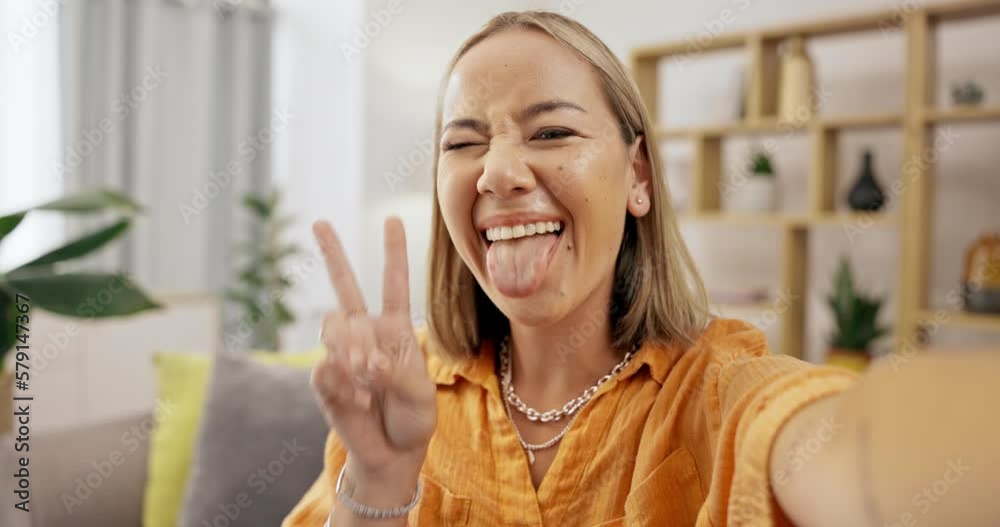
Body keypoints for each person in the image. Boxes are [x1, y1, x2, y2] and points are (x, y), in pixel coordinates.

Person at [284, 10, 999, 527]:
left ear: (638, 176)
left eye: (552, 131)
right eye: (464, 142)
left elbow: (846, 451)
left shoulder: (717, 391)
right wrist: (378, 481)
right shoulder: (401, 394)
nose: (498, 172)